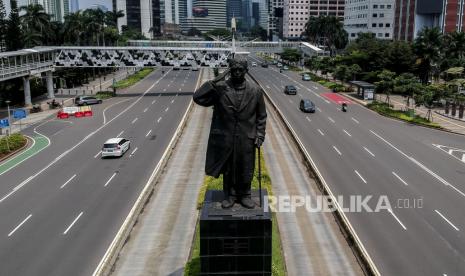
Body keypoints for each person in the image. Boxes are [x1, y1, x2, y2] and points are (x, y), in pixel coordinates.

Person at [193, 56, 267, 209]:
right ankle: (230, 195)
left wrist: (260, 135)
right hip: (226, 138)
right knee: (229, 169)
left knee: (246, 167)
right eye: (234, 70)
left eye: (241, 70)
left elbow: (261, 116)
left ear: (246, 71)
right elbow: (198, 98)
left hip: (247, 138)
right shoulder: (221, 89)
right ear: (229, 71)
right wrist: (214, 82)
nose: (237, 72)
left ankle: (245, 195)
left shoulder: (256, 91)